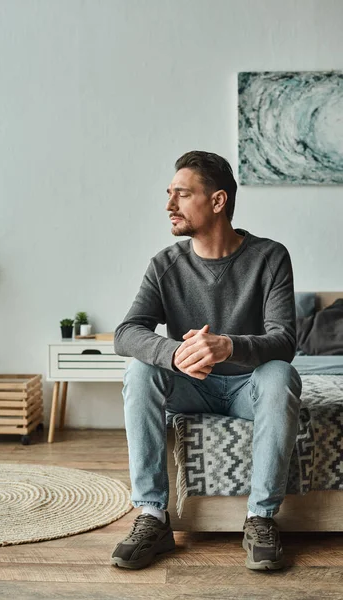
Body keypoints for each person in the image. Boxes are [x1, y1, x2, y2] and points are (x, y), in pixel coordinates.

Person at [110, 151, 302, 571]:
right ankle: (152, 516)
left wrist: (228, 346)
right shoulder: (165, 264)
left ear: (217, 201)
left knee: (280, 373)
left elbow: (285, 340)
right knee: (140, 369)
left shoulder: (270, 257)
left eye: (181, 194)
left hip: (247, 389)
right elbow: (126, 333)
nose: (169, 205)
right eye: (169, 194)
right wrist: (174, 353)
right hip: (190, 387)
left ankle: (261, 518)